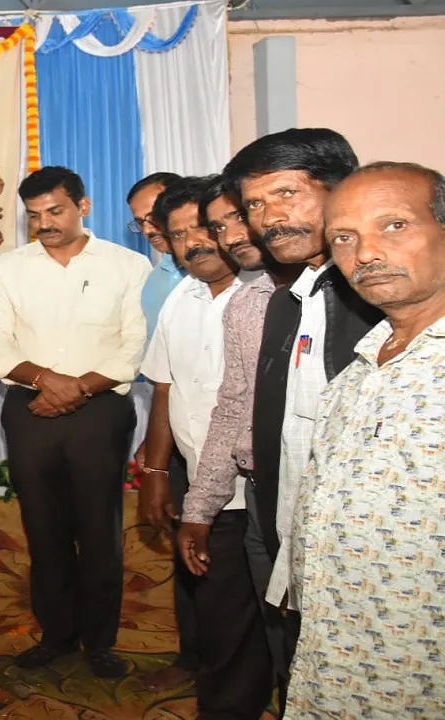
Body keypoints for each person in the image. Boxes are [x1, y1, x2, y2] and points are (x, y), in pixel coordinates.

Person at [220, 128, 381, 699]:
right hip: (282, 529)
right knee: (296, 672)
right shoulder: (292, 301)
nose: (269, 218)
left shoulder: (385, 299)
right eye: (255, 205)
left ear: (343, 191)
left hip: (366, 552)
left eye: (287, 194)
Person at [0, 165, 150, 678]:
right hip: (30, 408)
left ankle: (99, 642)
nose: (45, 223)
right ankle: (55, 635)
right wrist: (44, 379)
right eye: (34, 216)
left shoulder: (128, 265)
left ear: (83, 206)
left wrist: (78, 388)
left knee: (99, 529)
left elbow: (134, 344)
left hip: (101, 410)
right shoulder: (8, 268)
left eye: (55, 211)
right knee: (43, 528)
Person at [287, 162, 445, 716]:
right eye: (344, 238)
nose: (367, 253)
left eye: (394, 226)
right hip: (336, 660)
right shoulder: (359, 369)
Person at [137, 177, 272, 718]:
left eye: (202, 228)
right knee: (220, 611)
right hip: (203, 486)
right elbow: (164, 388)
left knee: (258, 613)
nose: (193, 242)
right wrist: (155, 472)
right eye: (178, 235)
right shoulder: (181, 299)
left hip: (259, 486)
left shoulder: (268, 295)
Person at [176, 176, 300, 687]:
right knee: (281, 640)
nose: (230, 236)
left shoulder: (347, 297)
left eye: (238, 218)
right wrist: (199, 509)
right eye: (219, 226)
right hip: (261, 498)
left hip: (325, 504)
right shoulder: (247, 305)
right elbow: (232, 410)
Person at [126, 170, 198, 690]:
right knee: (186, 544)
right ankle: (193, 657)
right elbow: (159, 377)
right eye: (141, 221)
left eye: (157, 216)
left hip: (224, 436)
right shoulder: (158, 278)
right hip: (173, 430)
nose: (151, 228)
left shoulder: (216, 271)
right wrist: (154, 456)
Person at [129, 172, 186, 341]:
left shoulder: (220, 271)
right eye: (140, 222)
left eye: (154, 217)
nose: (147, 230)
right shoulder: (153, 281)